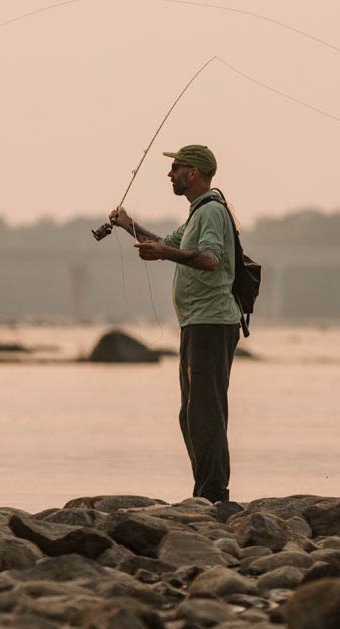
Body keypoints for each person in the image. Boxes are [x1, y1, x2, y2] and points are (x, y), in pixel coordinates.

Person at [108, 144, 241, 502]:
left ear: (193, 172)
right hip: (197, 324)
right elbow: (163, 243)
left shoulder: (211, 211)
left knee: (205, 413)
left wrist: (165, 254)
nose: (170, 174)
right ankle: (206, 492)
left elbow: (211, 259)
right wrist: (127, 225)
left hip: (212, 323)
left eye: (176, 168)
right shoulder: (198, 213)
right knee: (191, 414)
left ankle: (214, 496)